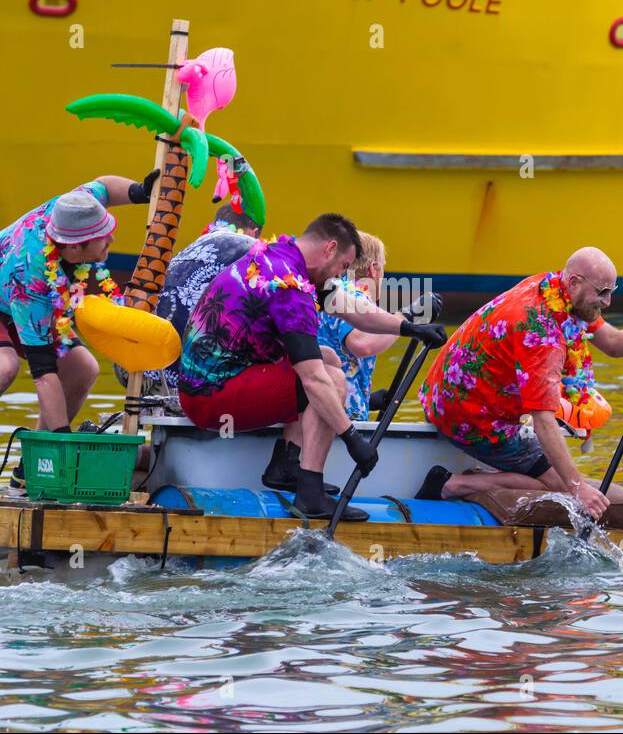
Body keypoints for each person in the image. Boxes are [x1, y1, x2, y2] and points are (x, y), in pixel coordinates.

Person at [176, 214, 446, 522]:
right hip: (211, 398)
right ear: (330, 249)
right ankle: (310, 492)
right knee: (329, 376)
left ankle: (287, 464)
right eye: (344, 267)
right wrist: (354, 439)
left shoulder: (282, 255)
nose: (342, 276)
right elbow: (313, 380)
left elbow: (355, 311)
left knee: (329, 356)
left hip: (211, 381)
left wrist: (409, 327)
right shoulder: (291, 291)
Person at [0, 172, 158, 496]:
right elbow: (44, 375)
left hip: (7, 294)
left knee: (82, 368)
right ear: (76, 247)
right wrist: (63, 442)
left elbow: (103, 185)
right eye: (103, 237)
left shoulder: (75, 208)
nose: (111, 241)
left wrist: (141, 191)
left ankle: (29, 471)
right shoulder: (32, 279)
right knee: (3, 366)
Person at [415, 247, 623, 521]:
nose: (608, 302)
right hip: (467, 416)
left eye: (611, 291)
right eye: (602, 292)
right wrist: (577, 488)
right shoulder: (541, 335)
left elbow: (614, 344)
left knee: (561, 469)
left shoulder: (552, 286)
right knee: (561, 487)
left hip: (447, 394)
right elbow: (543, 421)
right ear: (574, 282)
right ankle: (452, 484)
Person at [114, 202, 263, 398]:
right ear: (253, 231)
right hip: (176, 372)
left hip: (132, 364)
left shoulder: (192, 249)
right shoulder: (247, 245)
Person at [315, 231, 442, 420]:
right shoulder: (352, 295)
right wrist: (408, 315)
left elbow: (340, 352)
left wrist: (368, 401)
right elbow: (361, 343)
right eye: (383, 269)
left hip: (318, 404)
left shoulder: (326, 293)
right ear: (373, 269)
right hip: (339, 420)